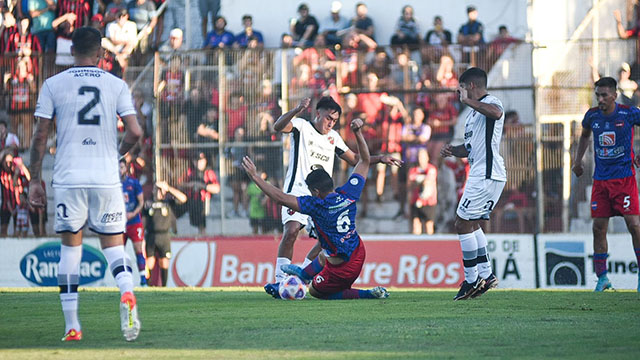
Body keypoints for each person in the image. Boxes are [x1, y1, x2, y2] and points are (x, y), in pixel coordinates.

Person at [28, 27, 143, 341]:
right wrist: (115, 153)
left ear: (71, 51)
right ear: (102, 53)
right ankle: (126, 291)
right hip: (105, 178)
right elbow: (135, 132)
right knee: (114, 247)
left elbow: (40, 137)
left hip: (69, 177)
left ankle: (72, 326)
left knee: (70, 250)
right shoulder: (116, 85)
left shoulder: (53, 84)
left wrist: (34, 179)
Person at [264, 96, 402, 297]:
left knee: (325, 241)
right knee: (292, 230)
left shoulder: (334, 138)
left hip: (321, 196)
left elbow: (356, 159)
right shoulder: (302, 127)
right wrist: (296, 109)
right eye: (328, 118)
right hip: (299, 190)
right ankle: (280, 282)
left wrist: (380, 159)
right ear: (317, 113)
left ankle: (299, 279)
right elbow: (278, 127)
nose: (331, 123)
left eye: (335, 120)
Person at [440, 67, 504, 300]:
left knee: (461, 222)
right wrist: (452, 151)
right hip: (482, 172)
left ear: (471, 86)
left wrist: (468, 101)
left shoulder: (491, 102)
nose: (460, 94)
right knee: (471, 223)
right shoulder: (473, 115)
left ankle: (471, 280)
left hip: (486, 174)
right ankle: (486, 275)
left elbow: (497, 113)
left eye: (462, 89)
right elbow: (469, 148)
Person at [572, 76, 640, 293]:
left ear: (614, 95)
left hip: (624, 179)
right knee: (598, 228)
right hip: (600, 181)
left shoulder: (628, 113)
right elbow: (584, 137)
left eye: (604, 95)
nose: (600, 99)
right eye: (597, 95)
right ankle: (602, 278)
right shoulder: (592, 116)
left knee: (634, 225)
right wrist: (578, 160)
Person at [145, 180, 186, 286]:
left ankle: (164, 287)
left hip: (164, 236)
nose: (158, 191)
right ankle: (148, 286)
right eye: (156, 188)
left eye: (160, 189)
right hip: (151, 235)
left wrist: (169, 188)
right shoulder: (148, 203)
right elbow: (143, 220)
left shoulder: (168, 202)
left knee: (164, 262)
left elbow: (183, 199)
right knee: (149, 262)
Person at [120, 159, 147, 286]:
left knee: (138, 250)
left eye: (121, 167)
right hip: (120, 223)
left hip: (134, 222)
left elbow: (141, 202)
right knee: (119, 252)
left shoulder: (134, 183)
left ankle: (143, 279)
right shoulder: (113, 184)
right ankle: (123, 280)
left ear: (126, 168)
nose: (119, 170)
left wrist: (133, 213)